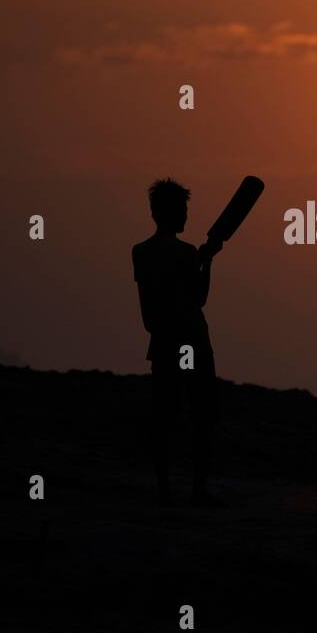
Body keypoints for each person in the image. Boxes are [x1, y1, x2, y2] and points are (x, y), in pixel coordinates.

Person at [132, 178, 222, 504]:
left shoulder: (141, 253)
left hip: (164, 341)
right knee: (200, 416)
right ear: (170, 212)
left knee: (165, 417)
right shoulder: (186, 254)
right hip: (193, 342)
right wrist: (207, 261)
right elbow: (199, 298)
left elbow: (150, 310)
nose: (186, 216)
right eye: (183, 210)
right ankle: (197, 489)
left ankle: (165, 490)